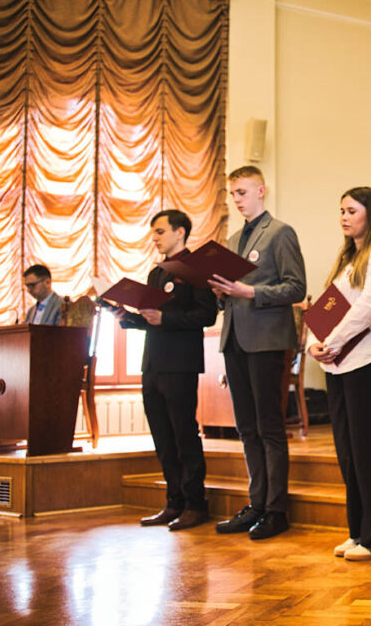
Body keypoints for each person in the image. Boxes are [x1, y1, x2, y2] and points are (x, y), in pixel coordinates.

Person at [307, 186, 371, 562]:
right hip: (337, 364)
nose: (344, 216)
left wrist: (330, 340)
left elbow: (370, 305)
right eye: (341, 210)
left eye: (351, 210)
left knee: (370, 449)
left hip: (365, 363)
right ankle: (360, 530)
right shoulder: (348, 259)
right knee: (348, 451)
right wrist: (315, 345)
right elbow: (326, 308)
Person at [210, 166, 307, 541]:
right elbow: (233, 293)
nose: (236, 199)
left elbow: (296, 287)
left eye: (242, 192)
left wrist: (249, 292)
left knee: (268, 426)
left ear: (261, 190)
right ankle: (256, 503)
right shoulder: (233, 239)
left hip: (267, 340)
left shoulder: (279, 232)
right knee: (245, 427)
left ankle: (276, 510)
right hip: (234, 338)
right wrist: (222, 294)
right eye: (232, 194)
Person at [118, 210, 217, 530]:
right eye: (154, 232)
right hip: (153, 363)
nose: (155, 237)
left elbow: (206, 316)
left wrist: (166, 319)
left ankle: (195, 503)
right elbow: (152, 320)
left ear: (180, 232)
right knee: (161, 434)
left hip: (180, 363)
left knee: (183, 433)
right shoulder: (156, 273)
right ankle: (173, 501)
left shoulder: (197, 269)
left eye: (160, 231)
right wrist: (126, 317)